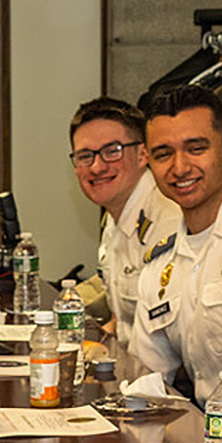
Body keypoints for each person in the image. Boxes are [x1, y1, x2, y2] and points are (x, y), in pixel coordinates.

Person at [118, 83, 222, 398]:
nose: (180, 167)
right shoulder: (160, 264)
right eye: (163, 154)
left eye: (196, 148)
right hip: (209, 433)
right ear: (147, 160)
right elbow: (146, 382)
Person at [68, 95, 161, 354]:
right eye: (85, 156)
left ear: (143, 154)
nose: (97, 166)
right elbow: (121, 321)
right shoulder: (114, 217)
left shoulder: (167, 220)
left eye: (112, 151)